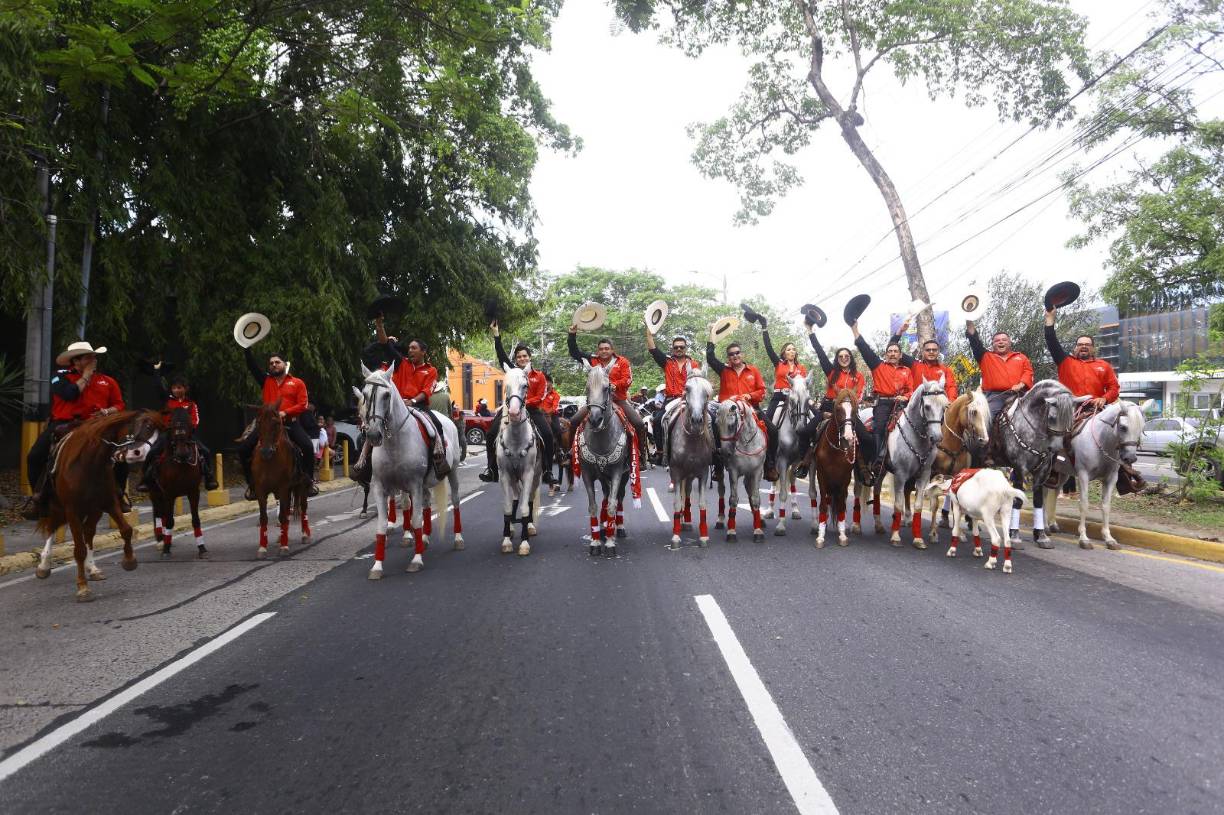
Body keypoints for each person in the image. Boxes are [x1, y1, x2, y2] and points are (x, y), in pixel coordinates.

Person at [23, 341, 130, 519]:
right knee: (34, 456)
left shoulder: (107, 381)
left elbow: (119, 404)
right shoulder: (59, 376)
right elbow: (69, 394)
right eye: (89, 357)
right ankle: (40, 499)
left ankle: (118, 495)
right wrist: (86, 376)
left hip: (96, 425)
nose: (94, 360)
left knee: (120, 455)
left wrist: (106, 411)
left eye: (94, 357)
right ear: (76, 361)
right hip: (64, 424)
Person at [370, 317, 450, 478]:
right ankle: (363, 463)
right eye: (409, 348)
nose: (410, 351)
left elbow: (427, 391)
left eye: (414, 348)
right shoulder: (402, 363)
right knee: (372, 426)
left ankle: (440, 459)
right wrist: (379, 325)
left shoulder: (431, 370)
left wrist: (412, 401)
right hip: (397, 406)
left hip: (419, 406)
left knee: (436, 426)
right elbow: (385, 343)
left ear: (423, 351)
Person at [478, 320, 555, 483]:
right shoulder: (512, 371)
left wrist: (522, 404)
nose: (522, 358)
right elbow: (501, 355)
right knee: (491, 433)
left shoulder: (539, 376)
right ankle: (491, 469)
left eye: (524, 356)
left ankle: (548, 471)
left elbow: (541, 397)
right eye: (519, 356)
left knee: (548, 435)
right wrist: (496, 335)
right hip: (509, 410)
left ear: (530, 357)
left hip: (532, 411)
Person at [239, 347, 315, 499]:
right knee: (243, 449)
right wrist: (247, 350)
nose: (274, 365)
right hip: (268, 425)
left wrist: (285, 412)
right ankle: (252, 485)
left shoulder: (297, 382)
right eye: (271, 363)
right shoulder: (266, 381)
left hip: (290, 423)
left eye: (277, 362)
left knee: (307, 446)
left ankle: (308, 482)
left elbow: (303, 404)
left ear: (284, 364)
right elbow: (253, 367)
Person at [801, 322, 873, 480]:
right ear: (837, 359)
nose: (844, 358)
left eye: (847, 356)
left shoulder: (858, 376)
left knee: (867, 438)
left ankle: (863, 468)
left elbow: (859, 395)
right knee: (806, 431)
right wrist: (810, 331)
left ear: (850, 358)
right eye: (841, 356)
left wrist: (852, 402)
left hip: (849, 410)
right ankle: (805, 462)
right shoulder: (831, 372)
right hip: (829, 407)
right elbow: (820, 353)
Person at [568, 326, 649, 464]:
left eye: (607, 348)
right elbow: (574, 352)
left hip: (618, 400)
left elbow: (628, 379)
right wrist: (572, 334)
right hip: (596, 402)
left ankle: (641, 456)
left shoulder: (622, 361)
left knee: (639, 423)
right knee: (574, 421)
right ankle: (570, 452)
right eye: (601, 349)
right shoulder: (592, 360)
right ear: (597, 350)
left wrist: (615, 385)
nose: (604, 351)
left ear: (612, 350)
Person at [135, 373, 220, 493]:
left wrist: (189, 430)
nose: (176, 390)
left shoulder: (191, 403)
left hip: (186, 435)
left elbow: (195, 420)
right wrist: (156, 373)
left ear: (185, 388)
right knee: (153, 451)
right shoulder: (168, 402)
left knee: (205, 451)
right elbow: (159, 389)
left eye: (179, 387)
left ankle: (209, 478)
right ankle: (144, 480)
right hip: (169, 434)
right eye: (174, 388)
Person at [853, 320, 916, 479]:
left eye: (896, 351)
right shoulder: (878, 366)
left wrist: (906, 396)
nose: (893, 353)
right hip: (883, 403)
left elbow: (911, 390)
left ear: (900, 355)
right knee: (879, 427)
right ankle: (878, 458)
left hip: (902, 403)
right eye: (890, 351)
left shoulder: (907, 371)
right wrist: (855, 329)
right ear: (886, 354)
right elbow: (864, 349)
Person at [705, 334, 772, 481]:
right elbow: (710, 357)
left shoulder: (753, 370)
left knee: (773, 430)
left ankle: (769, 466)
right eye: (731, 354)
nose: (735, 356)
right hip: (728, 411)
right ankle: (718, 467)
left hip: (751, 408)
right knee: (715, 430)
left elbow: (761, 390)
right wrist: (712, 336)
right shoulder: (723, 370)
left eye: (737, 353)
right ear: (728, 358)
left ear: (742, 354)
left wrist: (750, 396)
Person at [757, 315, 807, 480]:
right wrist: (765, 329)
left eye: (793, 349)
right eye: (788, 349)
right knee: (768, 426)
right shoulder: (779, 363)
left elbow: (804, 386)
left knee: (814, 422)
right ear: (784, 353)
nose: (791, 351)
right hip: (779, 398)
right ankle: (769, 462)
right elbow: (768, 347)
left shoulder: (802, 368)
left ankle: (806, 458)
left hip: (797, 400)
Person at [646, 328, 701, 464]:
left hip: (689, 399)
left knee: (709, 419)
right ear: (672, 349)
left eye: (681, 347)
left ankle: (712, 451)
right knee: (658, 420)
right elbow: (653, 349)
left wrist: (688, 392)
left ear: (686, 348)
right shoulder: (667, 362)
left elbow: (698, 382)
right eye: (676, 347)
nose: (679, 349)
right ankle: (660, 453)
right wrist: (648, 331)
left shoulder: (694, 364)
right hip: (671, 399)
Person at [1044, 306, 1118, 408]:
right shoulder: (1065, 361)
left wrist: (1104, 398)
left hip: (1095, 409)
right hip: (1068, 410)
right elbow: (1051, 341)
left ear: (1093, 348)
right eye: (1080, 344)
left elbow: (1114, 388)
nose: (1083, 346)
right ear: (1075, 348)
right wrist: (1049, 319)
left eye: (1087, 345)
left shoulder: (1104, 365)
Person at [965, 321, 1034, 421]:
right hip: (996, 396)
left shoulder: (1021, 357)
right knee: (985, 420)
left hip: (1021, 394)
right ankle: (983, 437)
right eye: (997, 341)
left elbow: (1028, 372)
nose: (1001, 342)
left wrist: (1021, 385)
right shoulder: (985, 356)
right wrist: (969, 322)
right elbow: (974, 342)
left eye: (1004, 340)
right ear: (993, 344)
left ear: (1010, 343)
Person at [890, 319, 958, 400]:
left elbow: (951, 387)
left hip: (939, 407)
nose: (931, 352)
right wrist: (900, 330)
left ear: (938, 351)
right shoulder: (915, 365)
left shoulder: (946, 370)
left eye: (934, 350)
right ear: (923, 351)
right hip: (917, 407)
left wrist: (950, 402)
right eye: (928, 350)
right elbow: (892, 348)